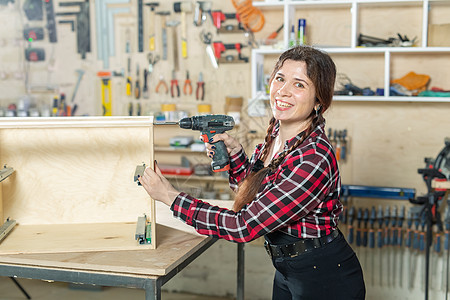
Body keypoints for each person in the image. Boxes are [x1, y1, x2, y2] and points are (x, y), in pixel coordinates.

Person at [138, 45, 366, 300]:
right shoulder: (276, 139)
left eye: (299, 85)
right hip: (288, 269)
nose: (283, 90)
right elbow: (255, 197)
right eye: (280, 78)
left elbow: (244, 226)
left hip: (325, 277)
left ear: (319, 100)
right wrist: (236, 156)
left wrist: (170, 196)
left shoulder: (313, 158)